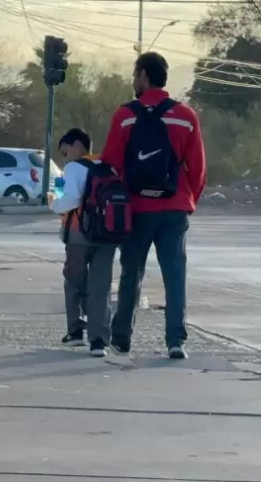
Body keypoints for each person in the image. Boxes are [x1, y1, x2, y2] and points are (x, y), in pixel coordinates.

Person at [100, 51, 207, 360]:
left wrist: (115, 205)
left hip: (136, 209)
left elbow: (111, 165)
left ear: (145, 76)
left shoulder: (125, 115)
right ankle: (175, 341)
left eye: (136, 75)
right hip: (174, 209)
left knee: (131, 272)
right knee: (174, 275)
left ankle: (122, 338)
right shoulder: (185, 115)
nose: (134, 81)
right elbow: (197, 168)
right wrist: (187, 201)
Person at [48, 128, 117, 358]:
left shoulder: (73, 168)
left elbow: (71, 199)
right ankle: (99, 341)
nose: (64, 158)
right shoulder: (107, 165)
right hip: (107, 233)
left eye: (65, 152)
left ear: (77, 145)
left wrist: (53, 204)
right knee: (101, 286)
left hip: (79, 234)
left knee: (74, 280)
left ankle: (76, 332)